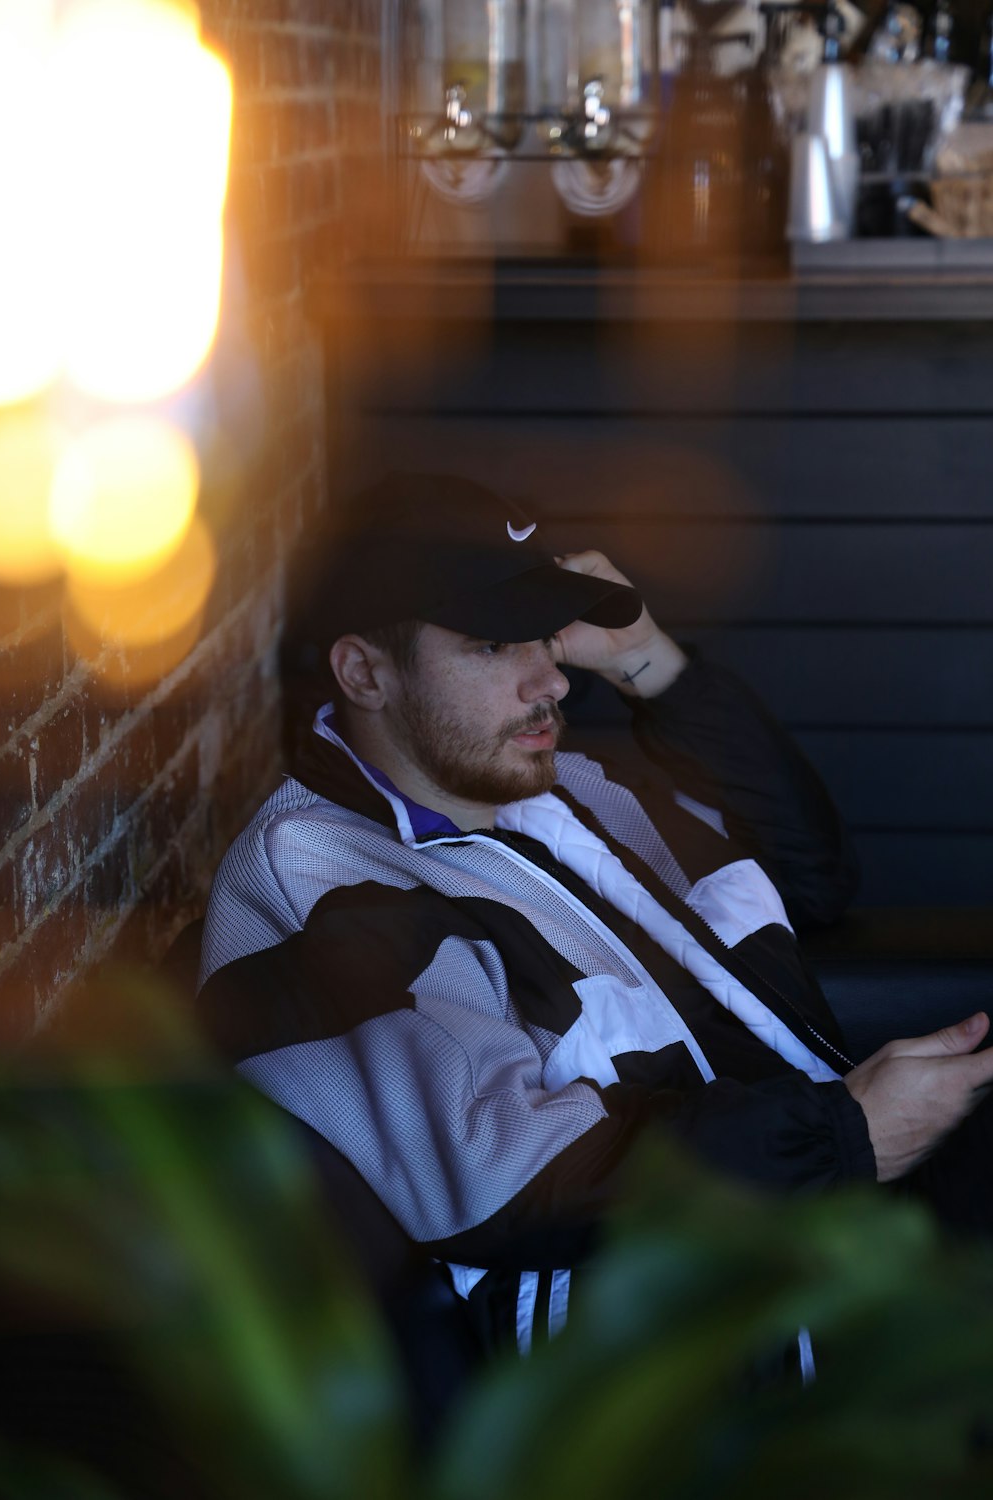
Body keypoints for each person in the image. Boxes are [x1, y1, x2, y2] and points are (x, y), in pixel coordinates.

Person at [197, 472, 993, 1354]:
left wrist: (646, 659)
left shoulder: (561, 792)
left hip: (835, 1227)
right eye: (495, 646)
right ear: (364, 673)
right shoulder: (323, 878)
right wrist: (845, 1134)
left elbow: (808, 878)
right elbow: (501, 1174)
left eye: (545, 636)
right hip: (700, 1337)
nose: (553, 683)